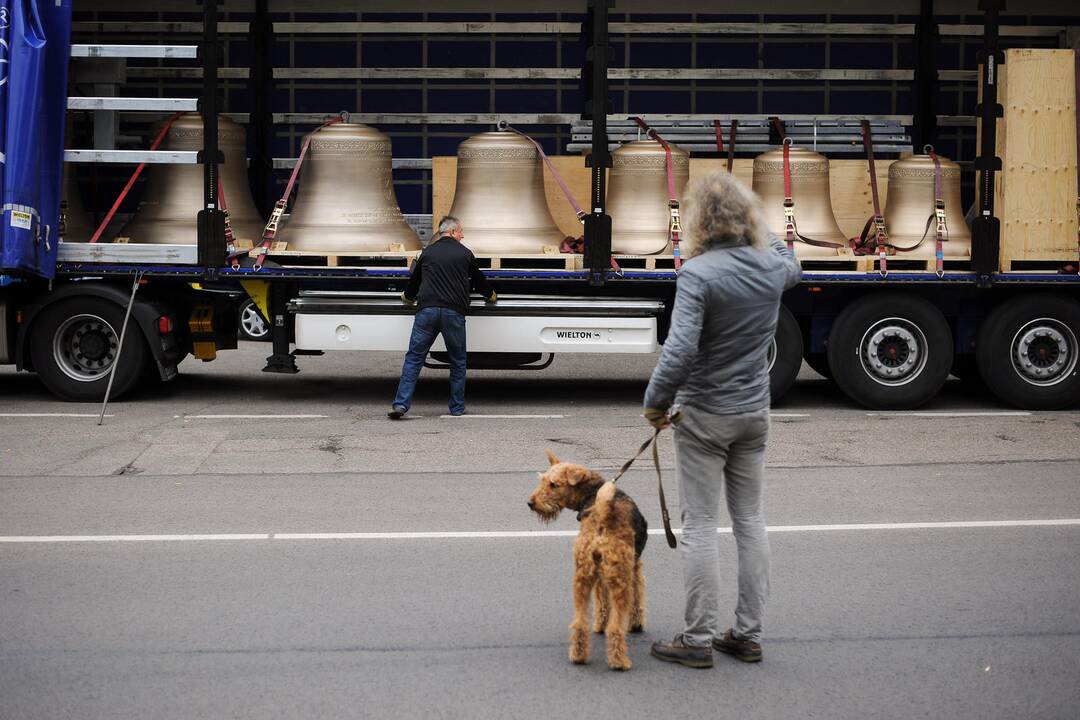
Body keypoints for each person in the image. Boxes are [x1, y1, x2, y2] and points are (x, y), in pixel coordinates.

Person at [644, 172, 802, 669]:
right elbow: (790, 258)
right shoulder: (773, 268)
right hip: (754, 413)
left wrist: (655, 402)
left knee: (700, 527)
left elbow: (679, 351)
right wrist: (761, 224)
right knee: (751, 521)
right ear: (747, 218)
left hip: (705, 415)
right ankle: (748, 635)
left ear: (699, 222)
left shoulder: (698, 274)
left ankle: (697, 640)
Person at [388, 216, 497, 419]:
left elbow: (414, 283)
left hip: (426, 312)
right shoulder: (465, 254)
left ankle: (401, 405)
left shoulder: (427, 253)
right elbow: (481, 282)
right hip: (453, 313)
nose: (463, 235)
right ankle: (456, 407)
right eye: (461, 231)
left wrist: (407, 297)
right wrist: (491, 296)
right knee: (457, 361)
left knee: (414, 358)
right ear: (453, 232)